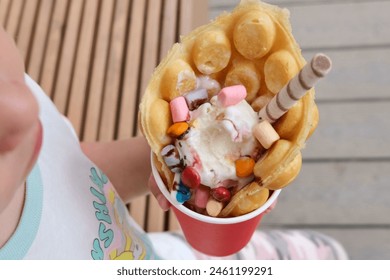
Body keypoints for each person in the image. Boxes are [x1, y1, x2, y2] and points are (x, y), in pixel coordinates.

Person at [0, 26, 347, 260]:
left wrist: (170, 161)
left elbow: (72, 173)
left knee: (323, 255)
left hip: (157, 253)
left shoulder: (16, 114)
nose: (24, 108)